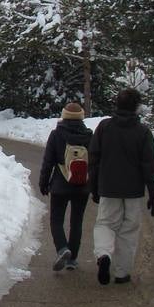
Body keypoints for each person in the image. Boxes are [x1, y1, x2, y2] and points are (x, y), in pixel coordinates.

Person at [89, 87, 154, 286]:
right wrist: (153, 193)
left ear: (117, 105)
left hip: (108, 187)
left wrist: (93, 186)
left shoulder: (104, 127)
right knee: (128, 230)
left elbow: (94, 159)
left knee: (105, 224)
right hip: (133, 191)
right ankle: (122, 273)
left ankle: (104, 255)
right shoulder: (143, 132)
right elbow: (150, 165)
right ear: (137, 107)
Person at [39, 102, 94, 272]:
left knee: (56, 220)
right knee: (76, 222)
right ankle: (73, 260)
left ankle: (63, 248)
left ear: (64, 116)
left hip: (60, 184)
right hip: (82, 186)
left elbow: (48, 162)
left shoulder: (56, 135)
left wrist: (44, 182)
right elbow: (94, 162)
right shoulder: (89, 135)